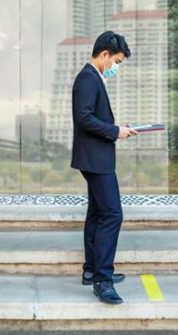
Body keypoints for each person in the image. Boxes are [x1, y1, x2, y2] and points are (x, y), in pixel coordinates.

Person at [71, 31, 136, 305]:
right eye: (117, 62)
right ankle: (102, 279)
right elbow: (84, 118)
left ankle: (91, 270)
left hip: (96, 158)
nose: (116, 67)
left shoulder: (93, 77)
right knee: (112, 215)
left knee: (98, 214)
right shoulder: (87, 78)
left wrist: (117, 130)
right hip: (96, 160)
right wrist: (115, 131)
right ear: (105, 55)